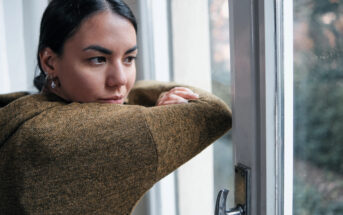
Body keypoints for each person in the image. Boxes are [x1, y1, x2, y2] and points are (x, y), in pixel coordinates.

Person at [0, 0, 232, 214]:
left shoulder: (24, 109)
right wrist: (158, 103)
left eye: (129, 58)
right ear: (50, 62)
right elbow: (212, 111)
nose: (120, 80)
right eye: (98, 59)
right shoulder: (56, 137)